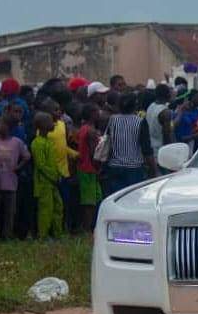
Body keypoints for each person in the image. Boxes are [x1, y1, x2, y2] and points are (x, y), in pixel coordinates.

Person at [103, 92, 156, 195]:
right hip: (134, 169)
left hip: (114, 167)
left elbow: (108, 143)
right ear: (135, 105)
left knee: (116, 199)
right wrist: (153, 170)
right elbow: (147, 150)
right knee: (132, 199)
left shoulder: (112, 120)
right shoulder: (140, 122)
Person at [43, 98, 78, 232]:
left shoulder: (62, 125)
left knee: (64, 202)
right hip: (50, 171)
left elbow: (63, 146)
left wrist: (74, 154)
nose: (59, 112)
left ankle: (63, 228)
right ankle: (50, 229)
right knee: (50, 204)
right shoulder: (43, 128)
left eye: (59, 109)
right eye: (55, 110)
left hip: (64, 170)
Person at [0, 116, 30, 239]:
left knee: (10, 212)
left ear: (8, 127)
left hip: (11, 183)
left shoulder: (17, 142)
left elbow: (27, 156)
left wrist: (18, 167)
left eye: (0, 124)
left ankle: (7, 234)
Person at [31, 112, 63, 238]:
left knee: (58, 206)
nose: (53, 123)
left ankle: (57, 234)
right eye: (50, 121)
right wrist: (53, 176)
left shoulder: (48, 141)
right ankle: (43, 235)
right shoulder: (37, 143)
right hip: (43, 182)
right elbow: (41, 165)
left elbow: (52, 162)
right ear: (42, 125)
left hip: (52, 181)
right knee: (45, 210)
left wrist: (57, 174)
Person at [76, 103, 102, 231]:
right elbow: (94, 153)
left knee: (94, 198)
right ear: (92, 114)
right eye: (97, 111)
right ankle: (87, 228)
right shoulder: (91, 131)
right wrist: (98, 168)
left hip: (84, 167)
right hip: (89, 169)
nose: (99, 113)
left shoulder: (83, 128)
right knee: (89, 202)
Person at [146, 83, 173, 167]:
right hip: (160, 151)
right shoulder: (165, 112)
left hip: (150, 149)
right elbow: (166, 135)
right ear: (167, 95)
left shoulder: (151, 106)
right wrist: (169, 153)